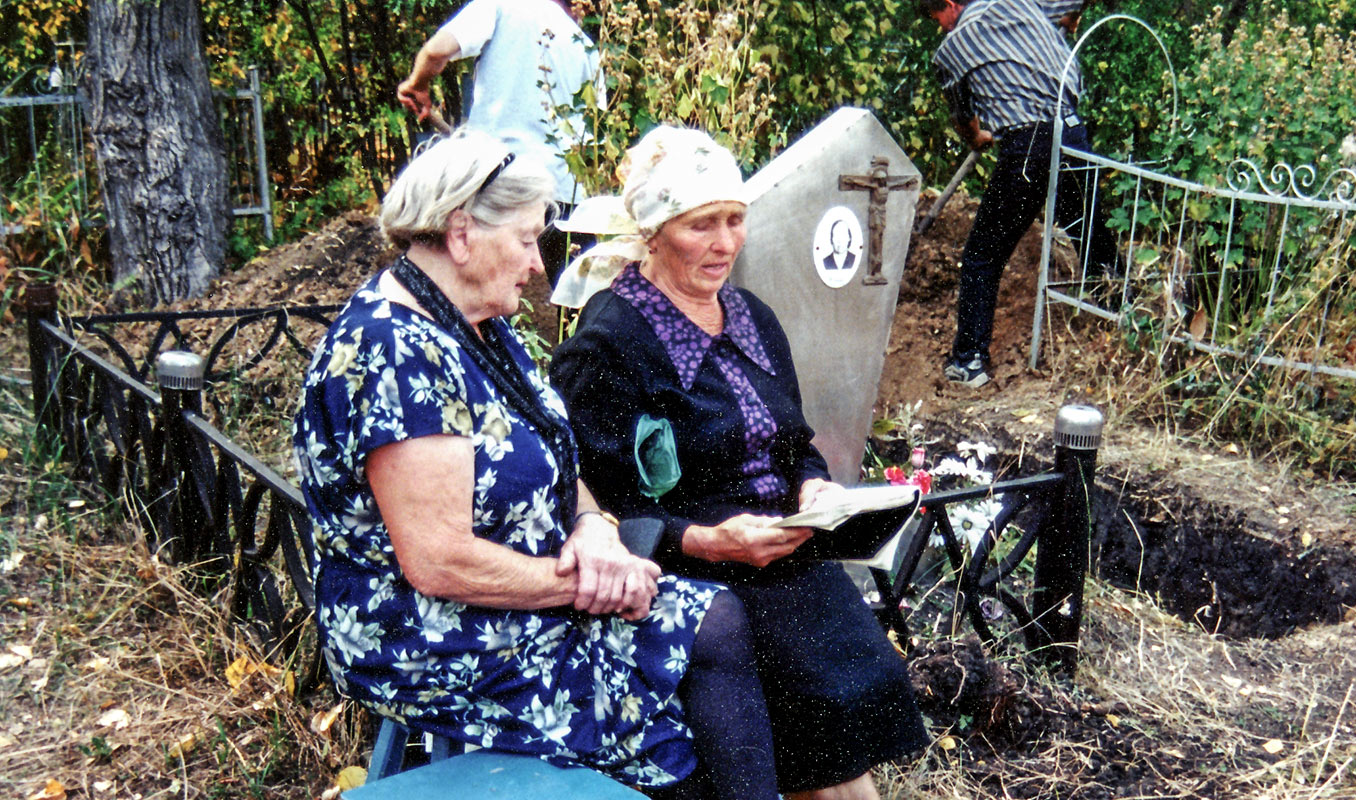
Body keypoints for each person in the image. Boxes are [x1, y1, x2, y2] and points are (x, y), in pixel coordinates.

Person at [293, 131, 780, 799]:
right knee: (668, 740)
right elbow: (438, 561)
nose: (536, 266)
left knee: (717, 620)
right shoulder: (393, 351)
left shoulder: (480, 325)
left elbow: (554, 457)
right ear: (462, 233)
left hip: (529, 588)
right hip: (429, 631)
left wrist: (595, 533)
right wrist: (585, 585)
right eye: (527, 240)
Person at [549, 127, 928, 800]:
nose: (726, 244)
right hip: (696, 573)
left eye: (735, 220)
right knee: (817, 718)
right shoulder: (608, 345)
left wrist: (812, 482)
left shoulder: (749, 316)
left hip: (778, 549)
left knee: (851, 699)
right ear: (655, 232)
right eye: (702, 226)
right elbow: (599, 514)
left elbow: (794, 440)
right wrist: (711, 543)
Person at [922, 0, 1119, 388]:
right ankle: (1128, 323)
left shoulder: (953, 47)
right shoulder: (1018, 1)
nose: (941, 29)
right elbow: (1071, 5)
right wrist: (1069, 20)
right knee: (1089, 232)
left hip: (1030, 144)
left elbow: (965, 119)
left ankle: (969, 363)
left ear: (949, 5)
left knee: (983, 254)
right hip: (1073, 131)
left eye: (938, 19)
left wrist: (978, 136)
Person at [397, 0, 603, 285]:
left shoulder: (502, 5)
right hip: (567, 190)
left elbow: (436, 50)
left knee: (482, 289)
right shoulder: (584, 45)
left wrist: (417, 84)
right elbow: (594, 126)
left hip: (502, 182)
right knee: (578, 301)